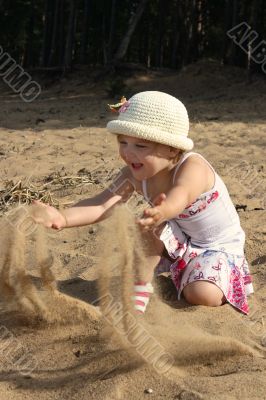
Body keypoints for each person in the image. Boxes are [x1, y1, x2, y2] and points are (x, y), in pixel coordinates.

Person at [34, 91, 253, 315]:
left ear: (172, 148)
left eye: (140, 146)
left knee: (200, 295)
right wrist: (62, 217)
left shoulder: (193, 167)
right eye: (123, 142)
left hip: (217, 247)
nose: (128, 153)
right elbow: (102, 204)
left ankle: (206, 277)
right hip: (180, 239)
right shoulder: (132, 175)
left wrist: (164, 210)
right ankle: (140, 290)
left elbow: (182, 194)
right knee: (150, 223)